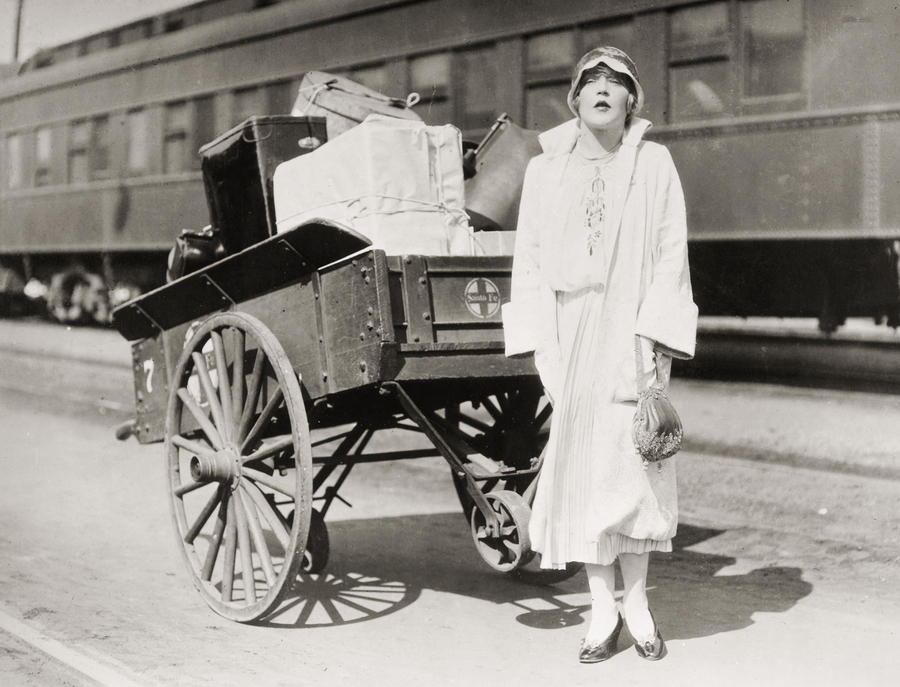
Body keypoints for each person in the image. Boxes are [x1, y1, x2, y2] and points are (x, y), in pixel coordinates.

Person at [502, 46, 697, 663]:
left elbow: (672, 251)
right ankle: (601, 609)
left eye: (618, 82)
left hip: (634, 329)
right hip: (571, 328)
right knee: (584, 469)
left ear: (633, 100)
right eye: (592, 81)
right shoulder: (545, 170)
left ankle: (636, 603)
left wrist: (657, 338)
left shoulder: (655, 164)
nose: (604, 89)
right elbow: (529, 260)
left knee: (637, 466)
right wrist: (541, 346)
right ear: (575, 98)